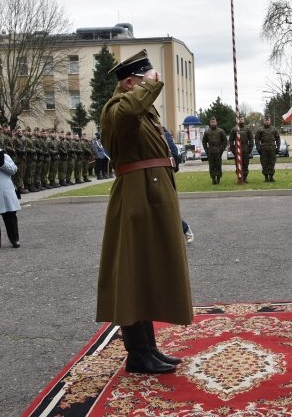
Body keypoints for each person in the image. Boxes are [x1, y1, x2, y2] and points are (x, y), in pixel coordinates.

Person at [97, 49, 193, 374]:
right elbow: (127, 113)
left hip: (150, 195)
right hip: (136, 200)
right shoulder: (116, 108)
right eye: (143, 79)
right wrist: (147, 87)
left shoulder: (140, 110)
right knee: (133, 274)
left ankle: (149, 348)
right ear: (128, 83)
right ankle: (137, 354)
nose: (150, 83)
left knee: (146, 272)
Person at [229, 115, 254, 182]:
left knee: (245, 164)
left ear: (244, 120)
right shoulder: (234, 129)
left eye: (242, 119)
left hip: (245, 149)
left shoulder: (247, 129)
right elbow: (231, 140)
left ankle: (245, 178)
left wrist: (250, 149)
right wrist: (233, 149)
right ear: (237, 120)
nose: (240, 120)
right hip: (237, 150)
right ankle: (239, 178)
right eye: (239, 119)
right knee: (238, 165)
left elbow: (251, 140)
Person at [202, 117, 227, 184]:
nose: (213, 123)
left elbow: (225, 141)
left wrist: (222, 149)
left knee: (218, 165)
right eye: (211, 122)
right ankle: (213, 179)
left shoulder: (220, 131)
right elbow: (204, 141)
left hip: (218, 151)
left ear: (216, 122)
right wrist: (206, 149)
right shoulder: (207, 132)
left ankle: (218, 179)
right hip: (210, 152)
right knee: (211, 166)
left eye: (214, 122)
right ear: (210, 123)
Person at [256, 116, 280, 182]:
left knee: (272, 163)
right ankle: (266, 177)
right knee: (264, 163)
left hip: (272, 149)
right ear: (264, 121)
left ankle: (271, 177)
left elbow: (278, 139)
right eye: (265, 120)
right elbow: (257, 139)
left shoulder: (274, 129)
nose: (267, 121)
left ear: (270, 121)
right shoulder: (260, 130)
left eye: (268, 120)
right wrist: (258, 148)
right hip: (263, 150)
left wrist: (278, 147)